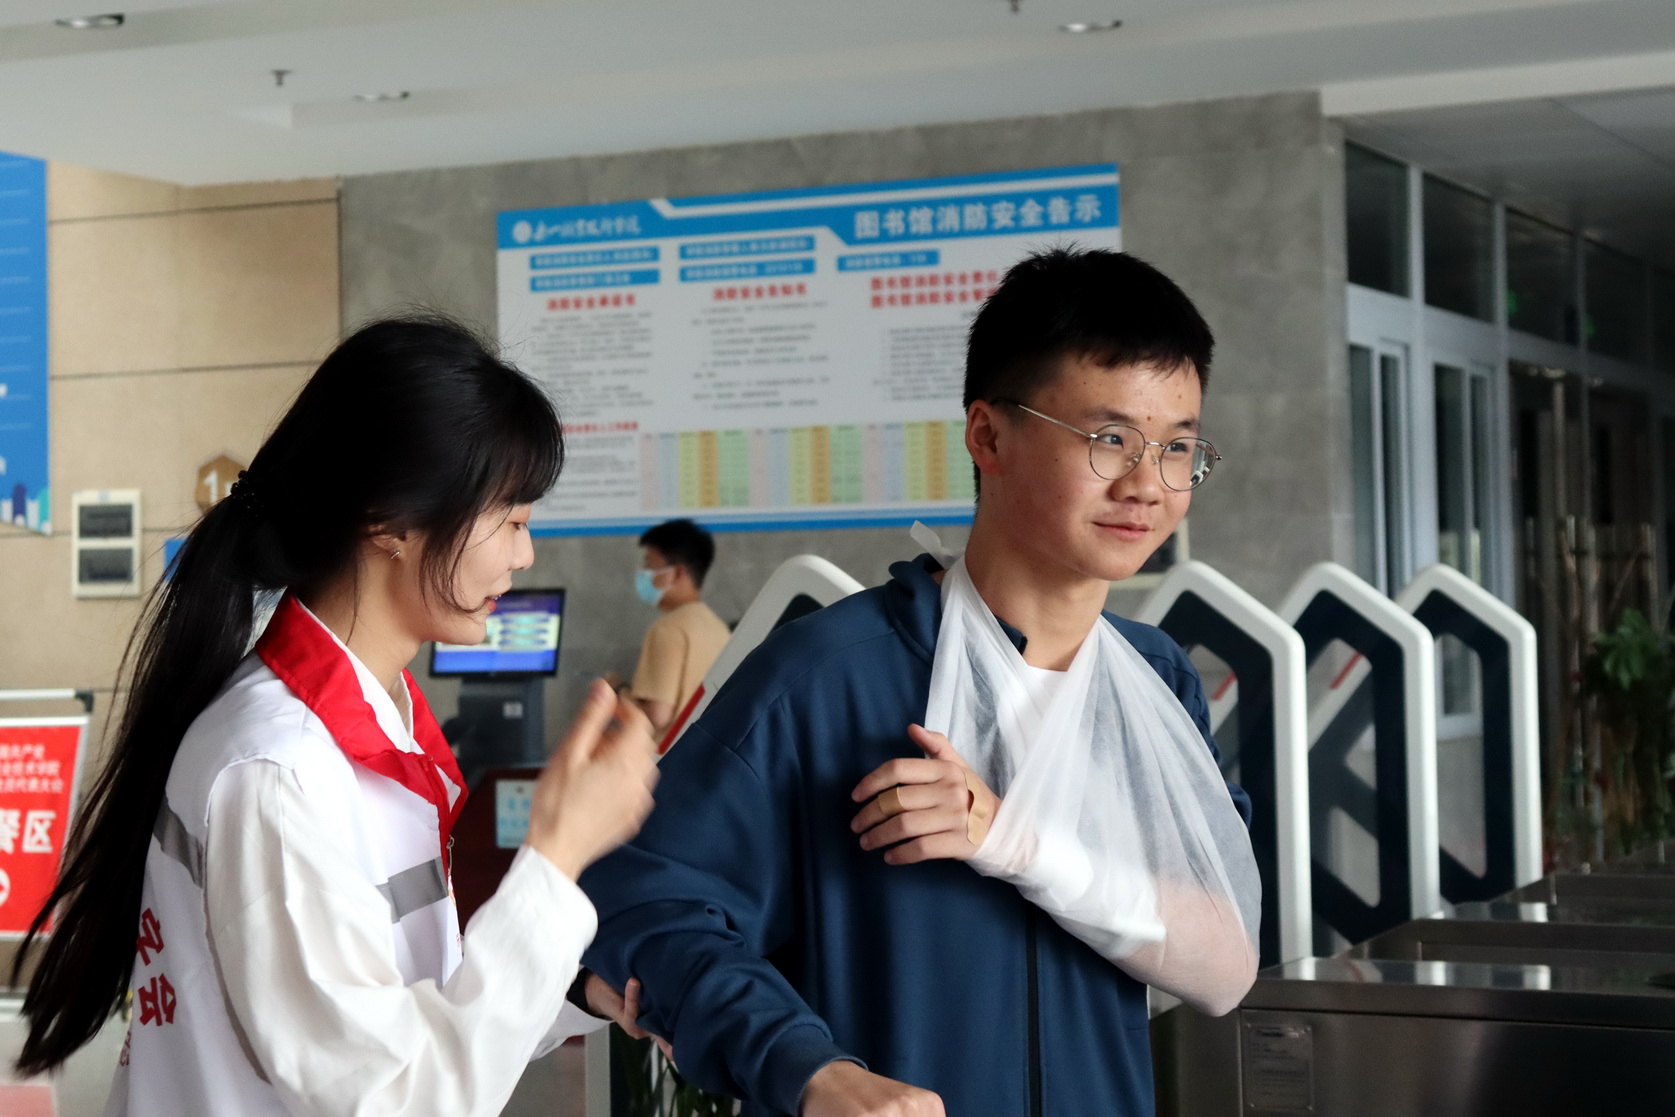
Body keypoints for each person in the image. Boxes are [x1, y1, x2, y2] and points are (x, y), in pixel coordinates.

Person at [578, 248, 1258, 1117]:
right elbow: (641, 904)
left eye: (1177, 448)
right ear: (987, 435)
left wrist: (1012, 839)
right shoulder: (826, 678)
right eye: (1108, 439)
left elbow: (1220, 954)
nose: (1145, 485)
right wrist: (809, 1069)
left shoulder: (1156, 683)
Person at [14, 316, 661, 1117]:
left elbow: (404, 1012)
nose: (524, 554)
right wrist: (556, 856)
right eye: (512, 519)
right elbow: (395, 1095)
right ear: (389, 521)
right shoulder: (279, 769)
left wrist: (574, 988)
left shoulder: (365, 726)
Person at [628, 518, 731, 736]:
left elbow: (657, 715)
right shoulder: (718, 627)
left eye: (649, 566)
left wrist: (618, 691)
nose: (644, 574)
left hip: (668, 752)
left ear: (677, 573)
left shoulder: (667, 629)